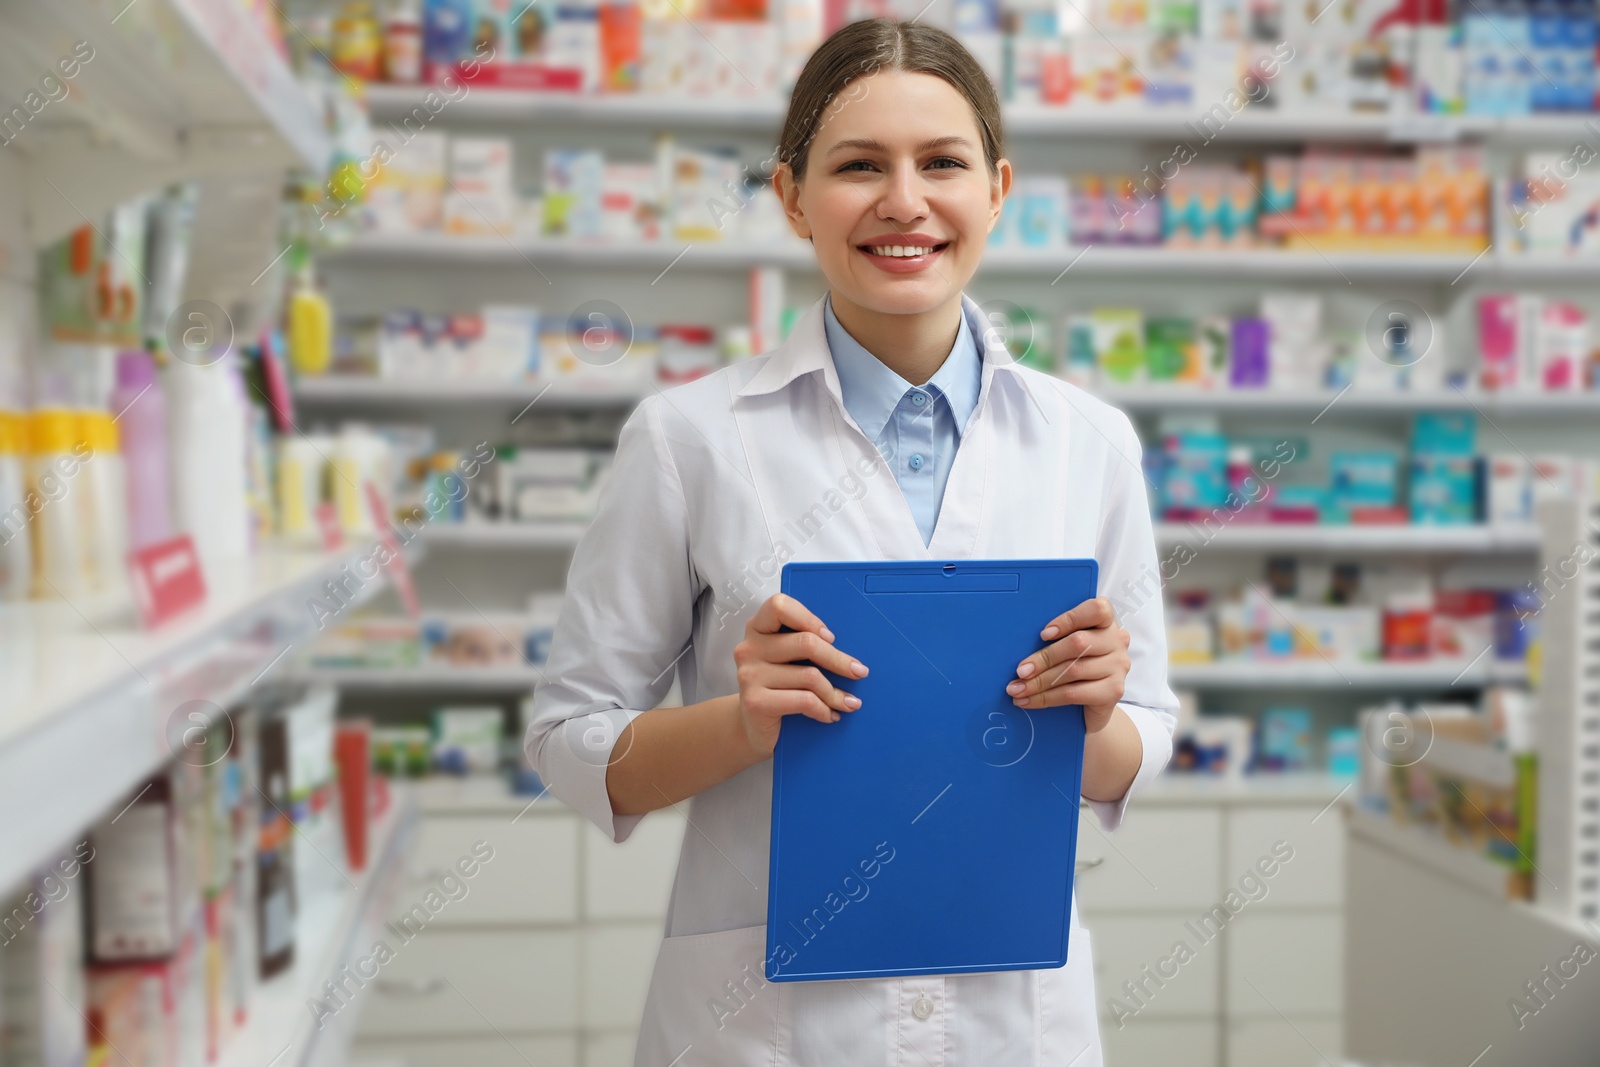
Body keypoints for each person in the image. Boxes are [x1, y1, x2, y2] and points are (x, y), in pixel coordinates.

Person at [526, 17, 1178, 1066]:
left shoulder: (1087, 443)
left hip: (1008, 1018)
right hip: (768, 1030)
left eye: (943, 164)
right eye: (858, 166)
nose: (904, 201)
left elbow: (1131, 748)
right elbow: (568, 744)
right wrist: (743, 722)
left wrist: (1096, 714)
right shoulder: (689, 437)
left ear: (998, 189)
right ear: (791, 196)